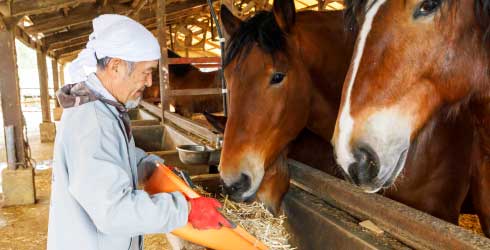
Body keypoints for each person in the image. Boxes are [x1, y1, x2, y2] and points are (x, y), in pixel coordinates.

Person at [47, 14, 231, 250]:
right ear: (116, 67)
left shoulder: (102, 109)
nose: (148, 81)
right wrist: (186, 210)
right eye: (146, 72)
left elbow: (114, 156)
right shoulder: (93, 122)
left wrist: (151, 167)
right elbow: (114, 212)